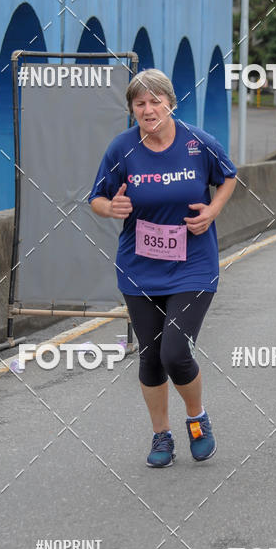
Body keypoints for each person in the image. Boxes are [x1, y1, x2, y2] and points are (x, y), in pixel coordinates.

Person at [88, 68, 237, 467]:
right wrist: (111, 208)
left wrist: (213, 210)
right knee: (151, 356)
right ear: (132, 109)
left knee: (174, 351)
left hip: (193, 265)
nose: (148, 109)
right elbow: (97, 199)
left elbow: (229, 177)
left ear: (171, 103)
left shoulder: (197, 143)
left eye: (156, 101)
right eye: (140, 103)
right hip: (140, 268)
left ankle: (197, 419)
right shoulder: (122, 150)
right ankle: (161, 436)